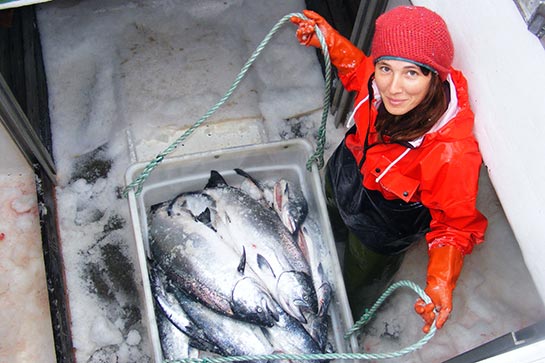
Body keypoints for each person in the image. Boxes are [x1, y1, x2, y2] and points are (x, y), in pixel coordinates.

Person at [291, 6, 488, 333]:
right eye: (386, 68)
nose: (393, 88)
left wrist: (441, 282)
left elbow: (454, 226)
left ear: (434, 75)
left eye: (412, 73)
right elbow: (358, 69)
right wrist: (329, 41)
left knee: (360, 279)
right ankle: (331, 240)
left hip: (383, 224)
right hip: (346, 173)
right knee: (327, 221)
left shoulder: (450, 152)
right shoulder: (377, 79)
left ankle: (351, 319)